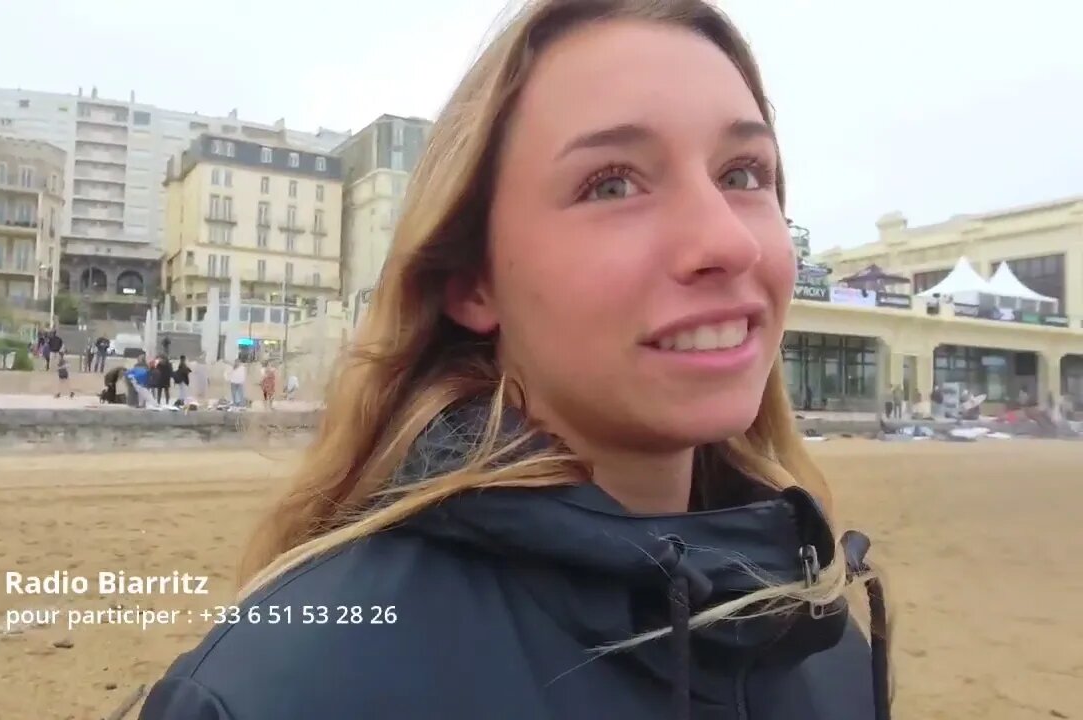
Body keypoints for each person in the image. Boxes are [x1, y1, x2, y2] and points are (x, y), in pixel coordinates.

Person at [140, 2, 890, 719]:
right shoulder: (284, 694)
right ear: (473, 283)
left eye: (743, 174)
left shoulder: (817, 640)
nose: (728, 241)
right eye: (613, 183)